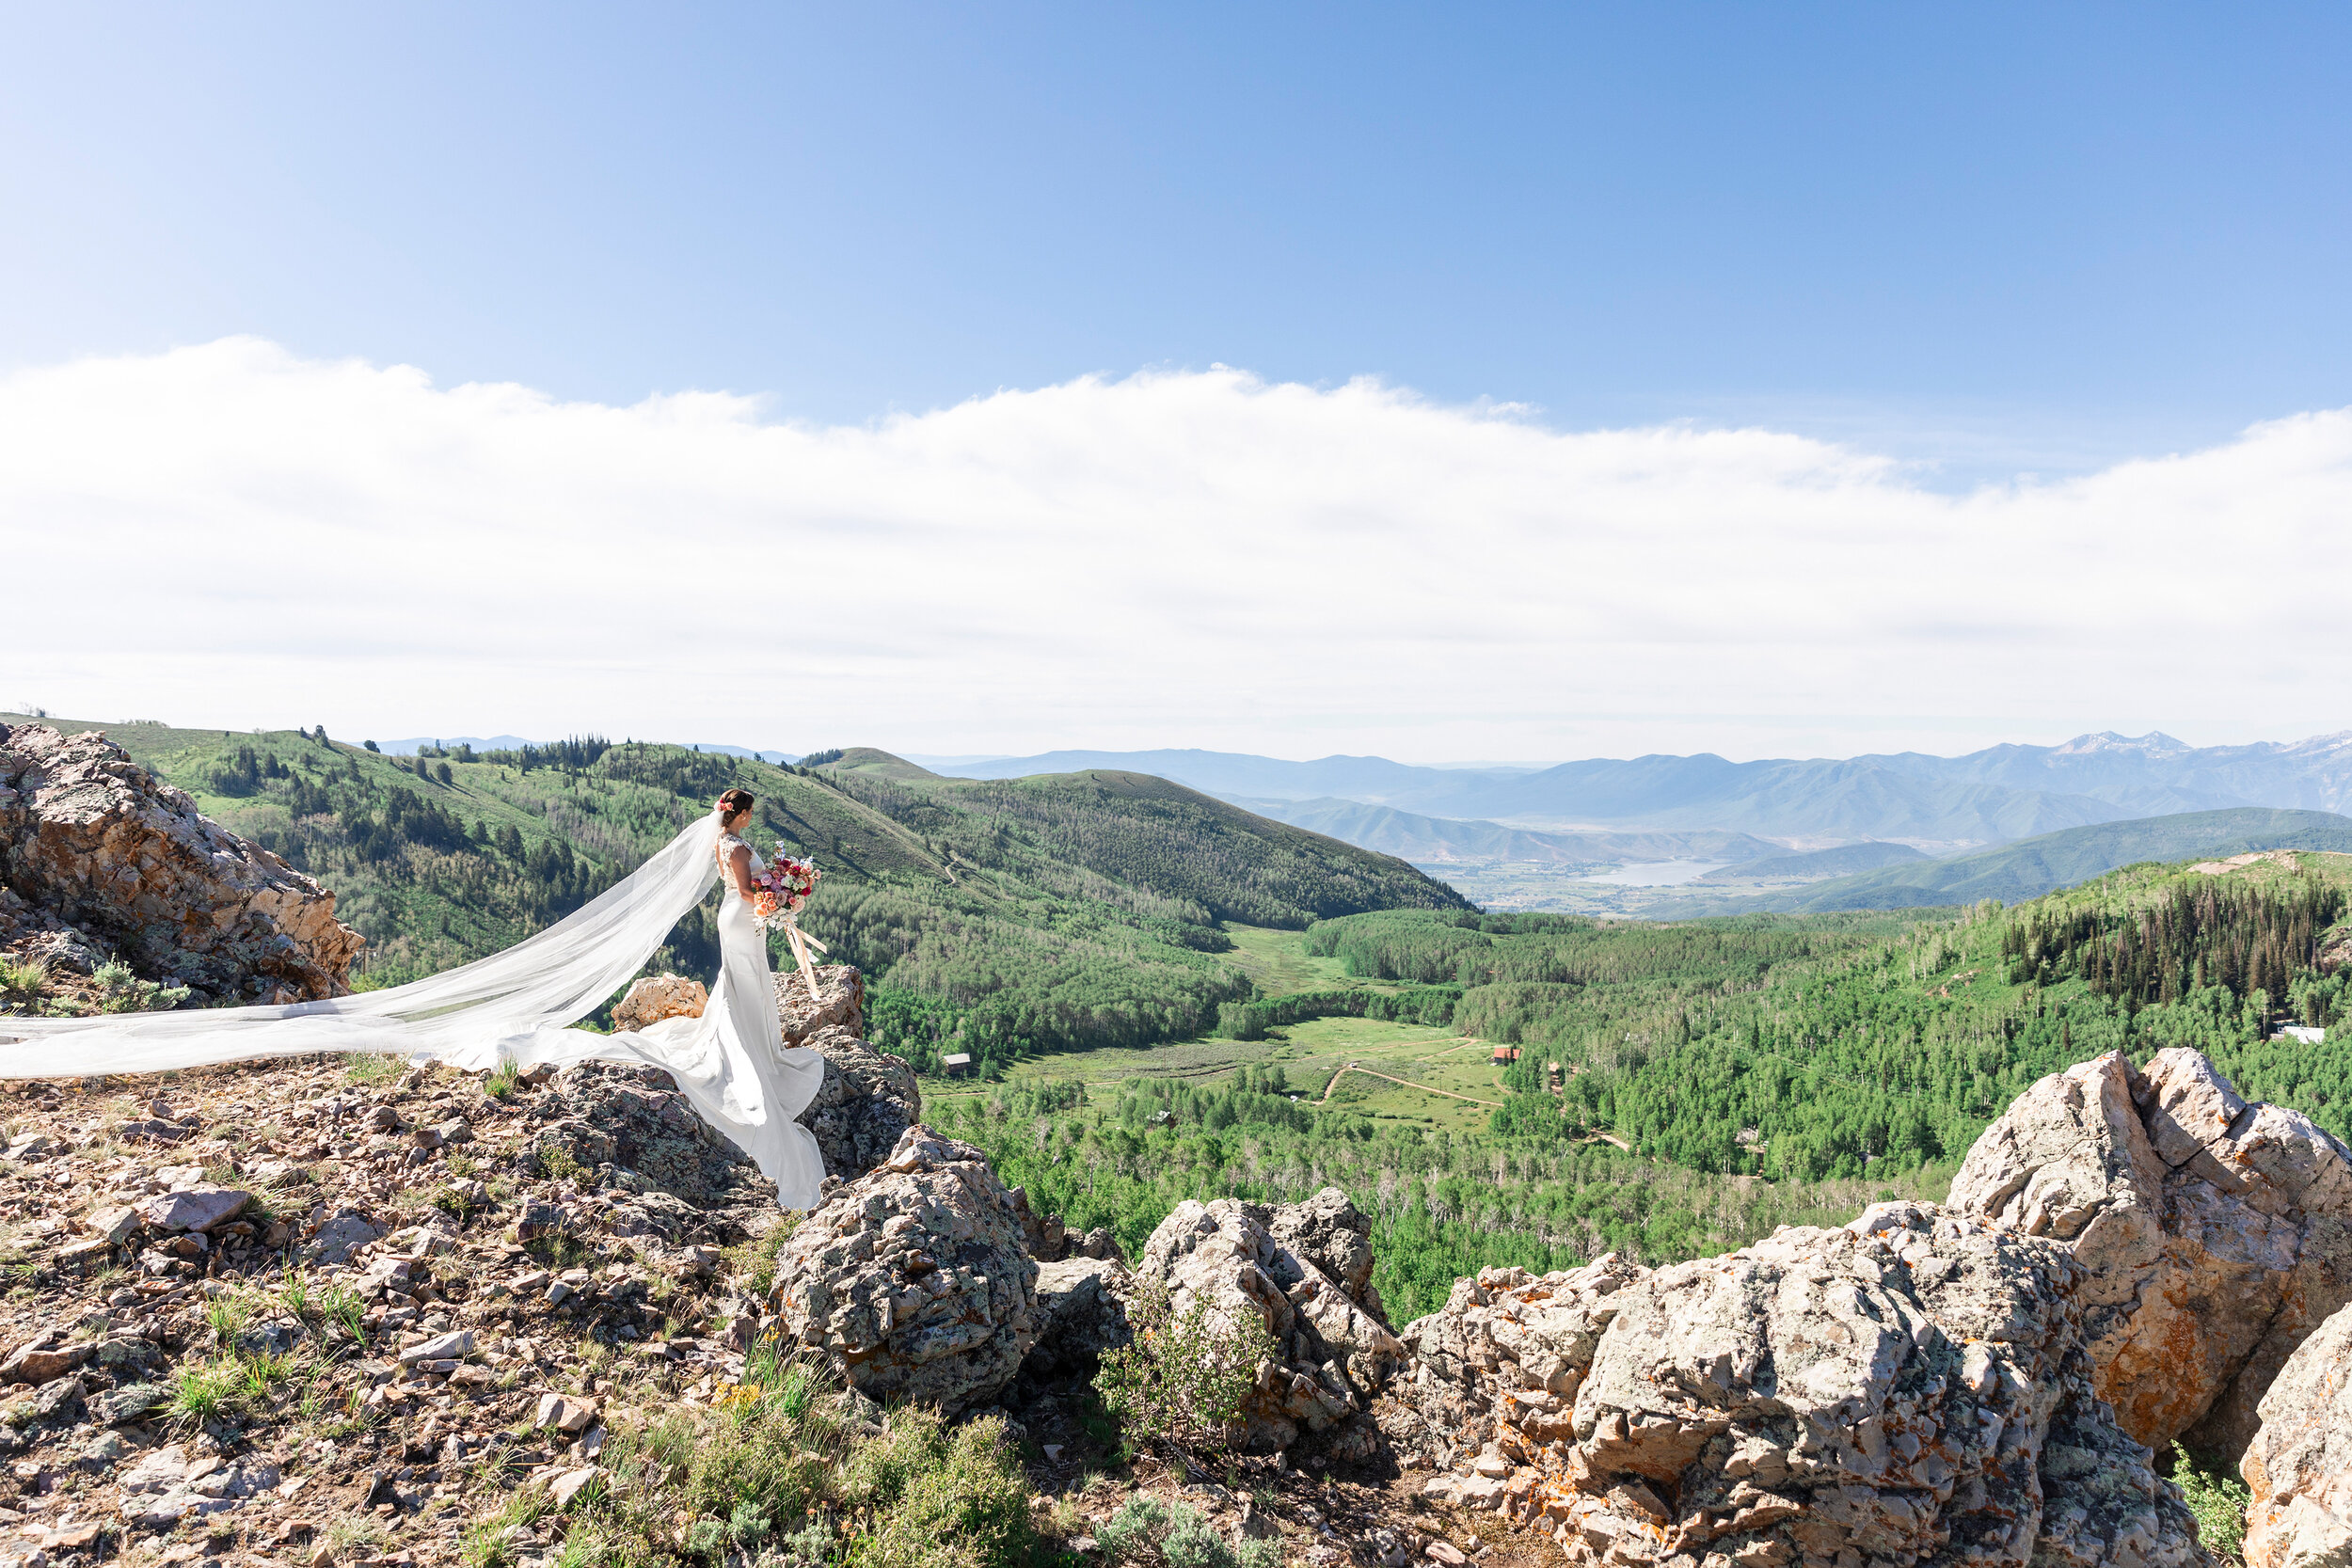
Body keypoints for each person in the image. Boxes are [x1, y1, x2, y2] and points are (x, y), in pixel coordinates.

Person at [0, 789, 830, 1209]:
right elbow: (749, 894)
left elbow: (747, 895)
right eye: (748, 809)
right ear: (740, 815)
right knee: (739, 997)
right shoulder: (739, 849)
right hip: (739, 924)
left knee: (739, 996)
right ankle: (750, 1059)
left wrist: (773, 901)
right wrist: (778, 898)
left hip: (737, 926)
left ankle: (748, 1047)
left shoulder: (723, 842)